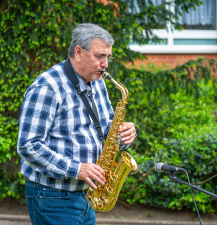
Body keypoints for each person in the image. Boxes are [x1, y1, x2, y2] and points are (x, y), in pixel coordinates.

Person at [17, 23, 136, 225]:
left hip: (86, 195)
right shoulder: (48, 87)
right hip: (52, 196)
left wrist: (122, 136)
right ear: (79, 53)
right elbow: (28, 146)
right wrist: (77, 169)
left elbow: (106, 130)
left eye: (108, 57)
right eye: (100, 56)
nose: (106, 64)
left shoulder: (98, 82)